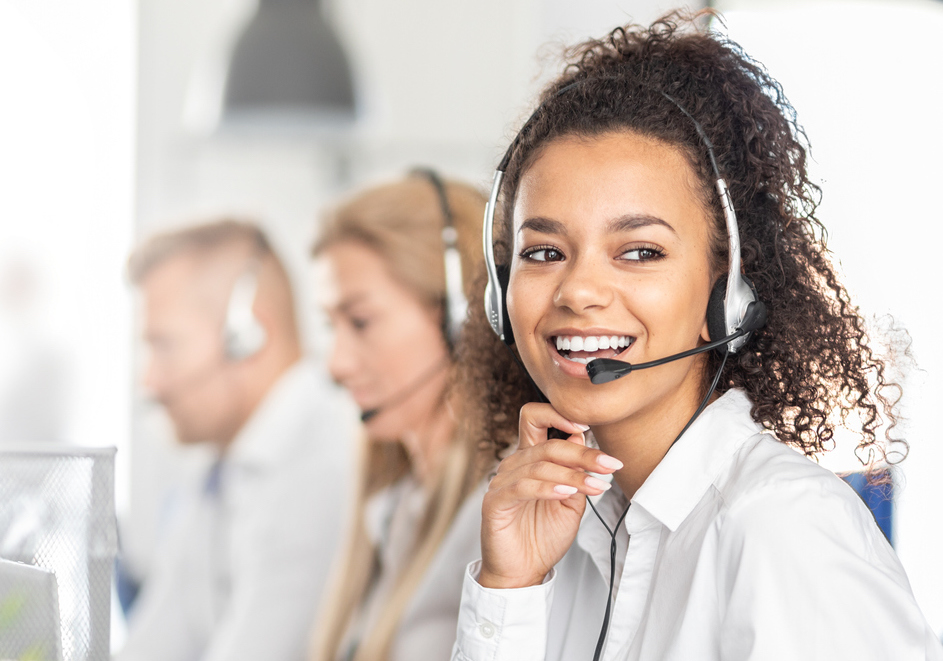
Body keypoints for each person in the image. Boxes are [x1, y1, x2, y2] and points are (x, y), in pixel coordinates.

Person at [451, 13, 943, 661]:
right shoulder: (561, 531)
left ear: (727, 287)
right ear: (499, 290)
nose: (577, 292)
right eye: (543, 253)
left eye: (638, 251)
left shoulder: (782, 529)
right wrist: (508, 588)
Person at [119, 219, 356, 661]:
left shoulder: (321, 467)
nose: (149, 380)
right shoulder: (218, 466)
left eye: (164, 346)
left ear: (248, 336)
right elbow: (154, 644)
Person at [309, 171, 489, 661]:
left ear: (461, 318)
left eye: (361, 321)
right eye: (331, 325)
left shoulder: (500, 514)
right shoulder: (395, 507)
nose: (336, 363)